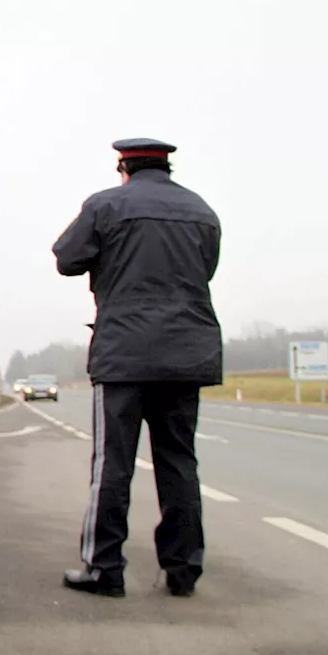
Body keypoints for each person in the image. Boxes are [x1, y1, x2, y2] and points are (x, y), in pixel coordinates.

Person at [53, 138, 222, 597]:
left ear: (123, 166)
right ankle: (183, 571)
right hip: (188, 353)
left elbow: (66, 258)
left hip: (125, 353)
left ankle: (104, 568)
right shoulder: (201, 210)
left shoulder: (107, 205)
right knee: (179, 464)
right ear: (166, 167)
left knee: (113, 464)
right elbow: (205, 270)